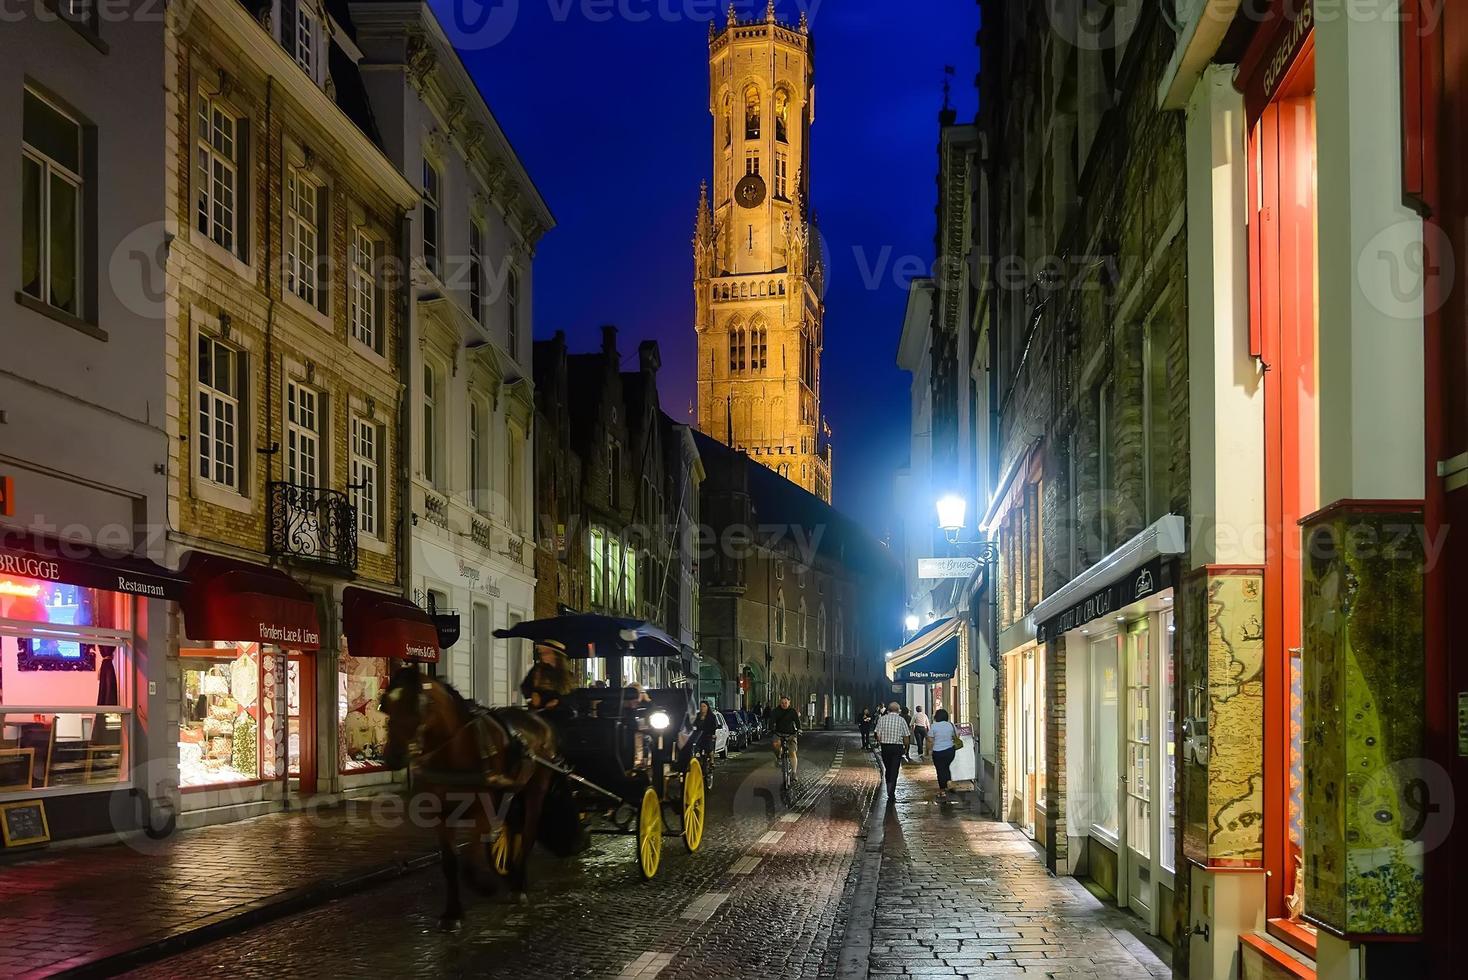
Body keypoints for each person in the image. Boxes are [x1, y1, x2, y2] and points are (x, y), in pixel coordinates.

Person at [520, 640, 574, 711]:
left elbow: (572, 698)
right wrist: (531, 695)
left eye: (546, 652)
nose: (542, 655)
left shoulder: (568, 675)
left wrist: (558, 702)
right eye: (541, 653)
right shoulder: (537, 670)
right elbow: (525, 686)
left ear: (556, 654)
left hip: (559, 715)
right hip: (538, 714)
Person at [874, 702, 910, 796]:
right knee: (895, 768)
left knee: (888, 767)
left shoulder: (882, 719)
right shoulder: (901, 720)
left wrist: (880, 742)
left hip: (885, 747)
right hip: (897, 747)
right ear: (898, 710)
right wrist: (906, 747)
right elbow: (906, 736)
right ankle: (891, 790)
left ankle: (888, 784)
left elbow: (877, 734)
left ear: (888, 710)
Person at [767, 694, 803, 780]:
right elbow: (772, 721)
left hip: (791, 734)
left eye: (786, 702)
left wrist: (799, 729)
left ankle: (794, 772)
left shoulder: (792, 711)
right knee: (776, 744)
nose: (784, 704)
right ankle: (779, 757)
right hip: (779, 733)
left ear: (789, 702)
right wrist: (770, 729)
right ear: (780, 702)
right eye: (782, 703)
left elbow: (797, 722)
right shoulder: (776, 711)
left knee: (792, 752)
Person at [927, 708, 958, 798]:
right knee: (946, 767)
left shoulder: (934, 726)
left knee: (940, 770)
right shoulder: (950, 725)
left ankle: (942, 791)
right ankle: (948, 781)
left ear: (936, 717)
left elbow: (930, 738)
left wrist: (930, 750)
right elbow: (957, 735)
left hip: (938, 752)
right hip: (950, 751)